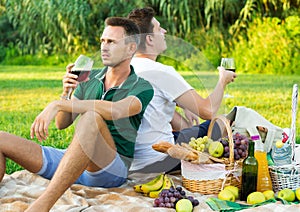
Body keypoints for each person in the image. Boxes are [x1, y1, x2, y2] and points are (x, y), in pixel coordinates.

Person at [0, 17, 154, 211]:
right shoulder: (89, 78)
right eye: (102, 41)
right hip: (73, 162)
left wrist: (57, 104)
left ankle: (42, 205)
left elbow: (117, 110)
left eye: (112, 42)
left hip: (110, 169)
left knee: (91, 116)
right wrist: (66, 94)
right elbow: (62, 123)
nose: (104, 47)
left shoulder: (141, 86)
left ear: (131, 48)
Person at [127, 7, 237, 173]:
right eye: (158, 28)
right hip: (160, 159)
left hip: (133, 163)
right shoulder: (162, 72)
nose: (164, 31)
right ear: (149, 39)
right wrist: (222, 81)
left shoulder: (125, 68)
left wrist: (181, 103)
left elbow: (153, 104)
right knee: (226, 121)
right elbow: (208, 111)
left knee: (187, 127)